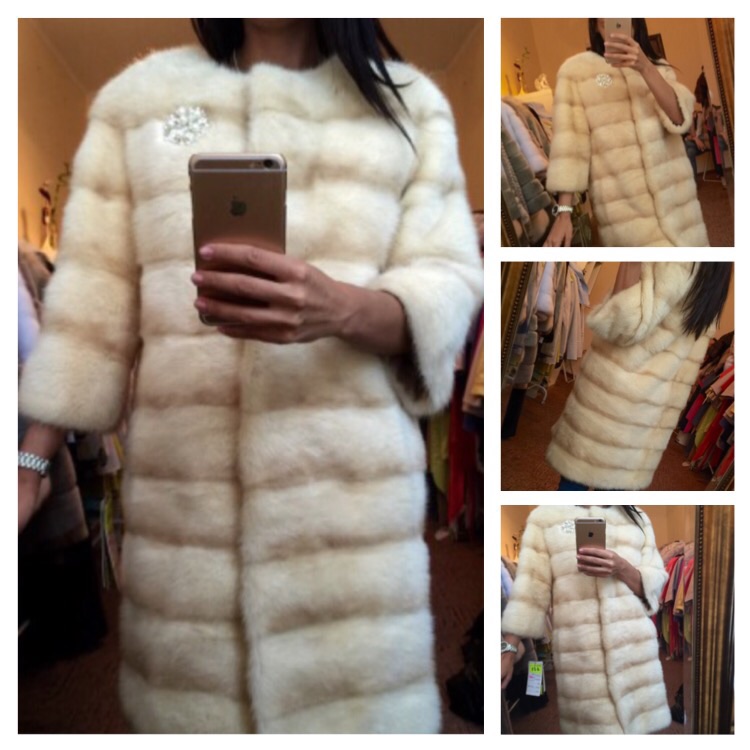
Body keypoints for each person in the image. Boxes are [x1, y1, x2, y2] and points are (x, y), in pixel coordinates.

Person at [18, 19, 483, 733]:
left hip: (349, 523)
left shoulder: (408, 106)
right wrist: (28, 466)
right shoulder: (138, 103)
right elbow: (89, 308)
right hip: (189, 527)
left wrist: (341, 307)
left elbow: (447, 286)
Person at [546, 262, 732, 490]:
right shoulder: (715, 276)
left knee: (572, 493)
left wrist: (631, 259)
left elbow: (620, 325)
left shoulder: (674, 259)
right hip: (649, 419)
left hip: (612, 403)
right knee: (611, 502)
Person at [501, 505, 670, 734]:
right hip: (582, 660)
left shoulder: (637, 518)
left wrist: (622, 567)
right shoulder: (545, 519)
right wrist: (509, 649)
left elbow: (654, 586)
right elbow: (530, 590)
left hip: (636, 656)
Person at [543, 19, 709, 247]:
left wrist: (645, 67)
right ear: (596, 26)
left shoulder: (658, 67)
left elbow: (680, 119)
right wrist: (564, 213)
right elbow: (570, 147)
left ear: (635, 24)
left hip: (680, 211)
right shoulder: (576, 73)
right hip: (626, 217)